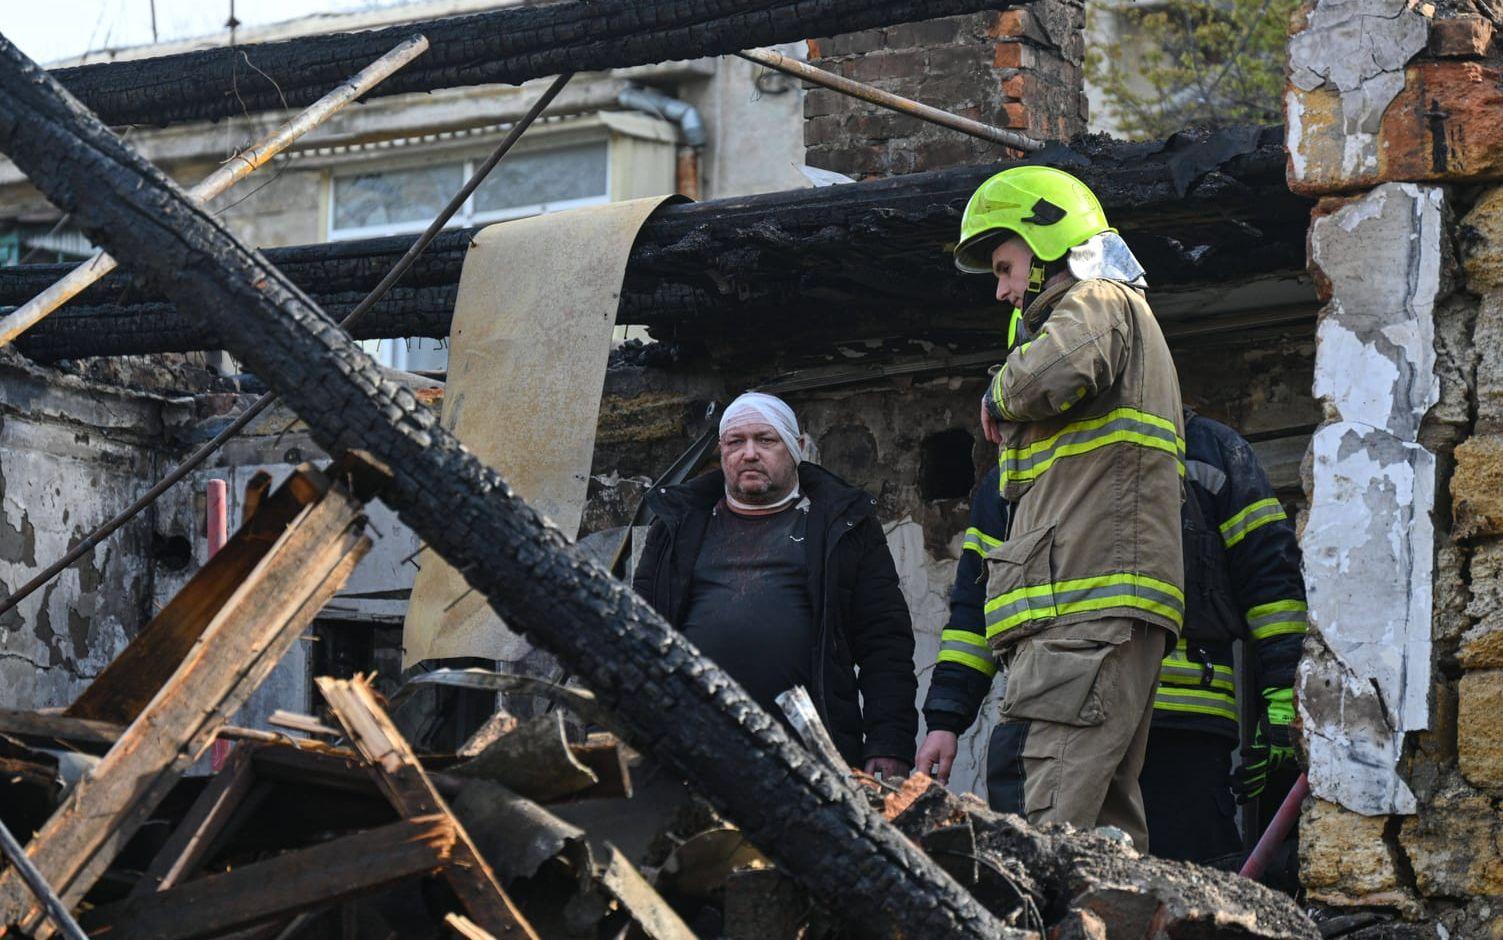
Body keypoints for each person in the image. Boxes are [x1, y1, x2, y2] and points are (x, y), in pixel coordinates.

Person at [916, 166, 1184, 850]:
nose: (1003, 290)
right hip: (1085, 622)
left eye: (1005, 267)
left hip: (1082, 621)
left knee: (1050, 837)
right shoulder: (1112, 308)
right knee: (1103, 845)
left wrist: (995, 393)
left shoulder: (1097, 299)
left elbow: (1051, 371)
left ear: (1049, 239)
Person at [917, 410, 1305, 863]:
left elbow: (1270, 582)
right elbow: (977, 609)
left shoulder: (1208, 450)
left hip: (1182, 730)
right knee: (1065, 887)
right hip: (1059, 722)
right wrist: (946, 718)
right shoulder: (1014, 469)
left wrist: (1282, 696)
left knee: (1189, 899)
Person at [631, 391, 918, 777]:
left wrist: (890, 741)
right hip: (690, 749)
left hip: (812, 755)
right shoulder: (675, 525)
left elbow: (884, 641)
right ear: (721, 451)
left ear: (797, 447)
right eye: (736, 441)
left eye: (766, 440)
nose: (749, 453)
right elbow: (636, 635)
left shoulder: (843, 524)